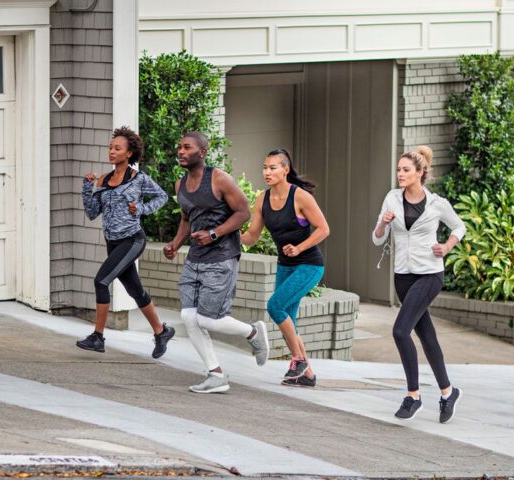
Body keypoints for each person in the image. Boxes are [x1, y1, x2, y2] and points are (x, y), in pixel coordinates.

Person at [164, 132, 269, 394]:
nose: (181, 151)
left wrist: (214, 234)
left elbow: (243, 212)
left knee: (209, 320)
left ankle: (253, 333)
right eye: (179, 147)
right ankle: (216, 374)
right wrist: (175, 244)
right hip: (195, 258)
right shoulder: (180, 185)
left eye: (187, 147)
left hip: (222, 257)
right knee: (188, 317)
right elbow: (187, 219)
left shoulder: (219, 179)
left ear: (202, 152)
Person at [372, 145, 465, 423]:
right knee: (426, 336)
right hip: (402, 276)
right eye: (399, 170)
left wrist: (447, 245)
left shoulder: (437, 204)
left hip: (430, 274)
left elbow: (459, 227)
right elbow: (377, 238)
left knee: (401, 331)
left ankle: (413, 396)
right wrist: (383, 224)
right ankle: (448, 392)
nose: (400, 174)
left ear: (420, 173)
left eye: (406, 170)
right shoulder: (391, 199)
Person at [80, 126, 175, 358]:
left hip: (132, 240)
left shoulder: (139, 179)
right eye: (111, 148)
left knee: (101, 282)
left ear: (129, 153)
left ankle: (98, 337)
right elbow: (92, 213)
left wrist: (141, 208)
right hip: (112, 242)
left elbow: (162, 196)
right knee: (135, 290)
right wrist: (87, 187)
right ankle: (161, 331)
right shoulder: (103, 180)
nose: (112, 152)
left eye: (117, 148)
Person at [241, 148, 329, 387]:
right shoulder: (262, 199)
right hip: (285, 266)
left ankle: (298, 360)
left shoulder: (300, 197)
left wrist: (299, 248)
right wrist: (226, 234)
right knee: (288, 319)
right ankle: (306, 374)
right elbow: (252, 236)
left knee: (275, 306)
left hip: (309, 265)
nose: (267, 172)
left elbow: (323, 229)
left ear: (285, 170)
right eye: (265, 167)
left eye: (273, 167)